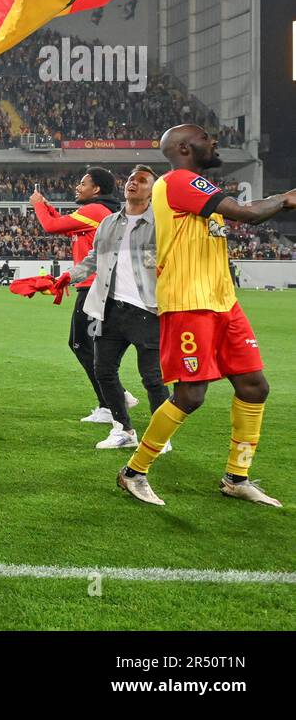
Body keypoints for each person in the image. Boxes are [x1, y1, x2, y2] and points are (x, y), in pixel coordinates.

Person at [117, 125, 295, 507]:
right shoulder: (179, 181)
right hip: (189, 303)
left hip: (223, 303)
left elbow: (246, 213)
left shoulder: (197, 187)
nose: (213, 142)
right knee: (190, 395)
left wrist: (280, 200)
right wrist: (285, 198)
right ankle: (133, 472)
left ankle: (236, 476)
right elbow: (247, 214)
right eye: (204, 137)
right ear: (184, 147)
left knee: (254, 387)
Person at [52, 165, 167, 450]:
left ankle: (159, 437)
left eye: (142, 181)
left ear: (153, 191)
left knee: (152, 377)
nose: (134, 183)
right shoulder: (109, 223)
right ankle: (123, 430)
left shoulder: (162, 224)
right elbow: (93, 258)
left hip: (147, 310)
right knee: (104, 370)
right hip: (109, 307)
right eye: (130, 179)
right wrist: (71, 275)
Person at [31, 168, 126, 422]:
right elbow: (64, 225)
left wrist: (39, 206)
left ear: (96, 190)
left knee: (81, 344)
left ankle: (111, 402)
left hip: (94, 286)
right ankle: (113, 398)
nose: (77, 187)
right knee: (90, 345)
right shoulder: (99, 212)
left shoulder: (95, 211)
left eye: (82, 183)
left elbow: (51, 227)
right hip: (96, 285)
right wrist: (49, 208)